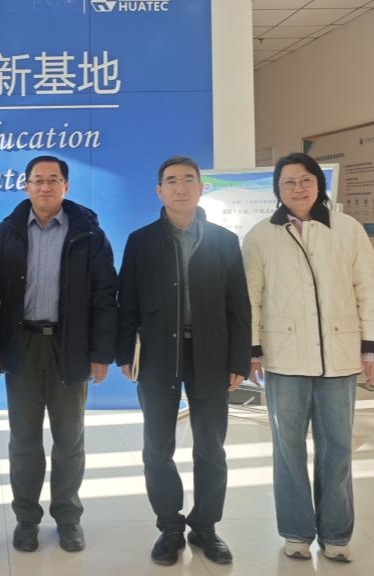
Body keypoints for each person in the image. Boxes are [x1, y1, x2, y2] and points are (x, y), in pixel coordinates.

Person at [242, 152, 374, 563]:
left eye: (306, 180)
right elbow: (250, 298)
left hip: (339, 356)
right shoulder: (260, 236)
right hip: (284, 357)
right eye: (288, 182)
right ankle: (295, 531)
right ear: (277, 189)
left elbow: (370, 287)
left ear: (319, 184)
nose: (298, 188)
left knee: (337, 447)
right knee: (288, 449)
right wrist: (252, 351)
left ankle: (336, 534)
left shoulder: (347, 229)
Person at [116, 156, 251, 566]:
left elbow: (238, 306)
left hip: (211, 355)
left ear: (201, 188)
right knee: (157, 447)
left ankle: (205, 527)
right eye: (171, 181)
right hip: (157, 354)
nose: (180, 187)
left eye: (189, 180)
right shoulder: (141, 241)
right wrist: (124, 352)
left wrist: (239, 359)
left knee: (211, 448)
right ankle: (170, 527)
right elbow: (127, 301)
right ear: (159, 190)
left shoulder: (224, 241)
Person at [0, 155, 117, 553]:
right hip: (22, 344)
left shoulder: (89, 234)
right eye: (37, 180)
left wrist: (101, 352)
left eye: (53, 179)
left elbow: (104, 295)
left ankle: (68, 517)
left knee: (69, 438)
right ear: (26, 186)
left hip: (70, 345)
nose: (45, 186)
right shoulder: (7, 231)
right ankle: (27, 519)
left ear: (66, 185)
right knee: (23, 439)